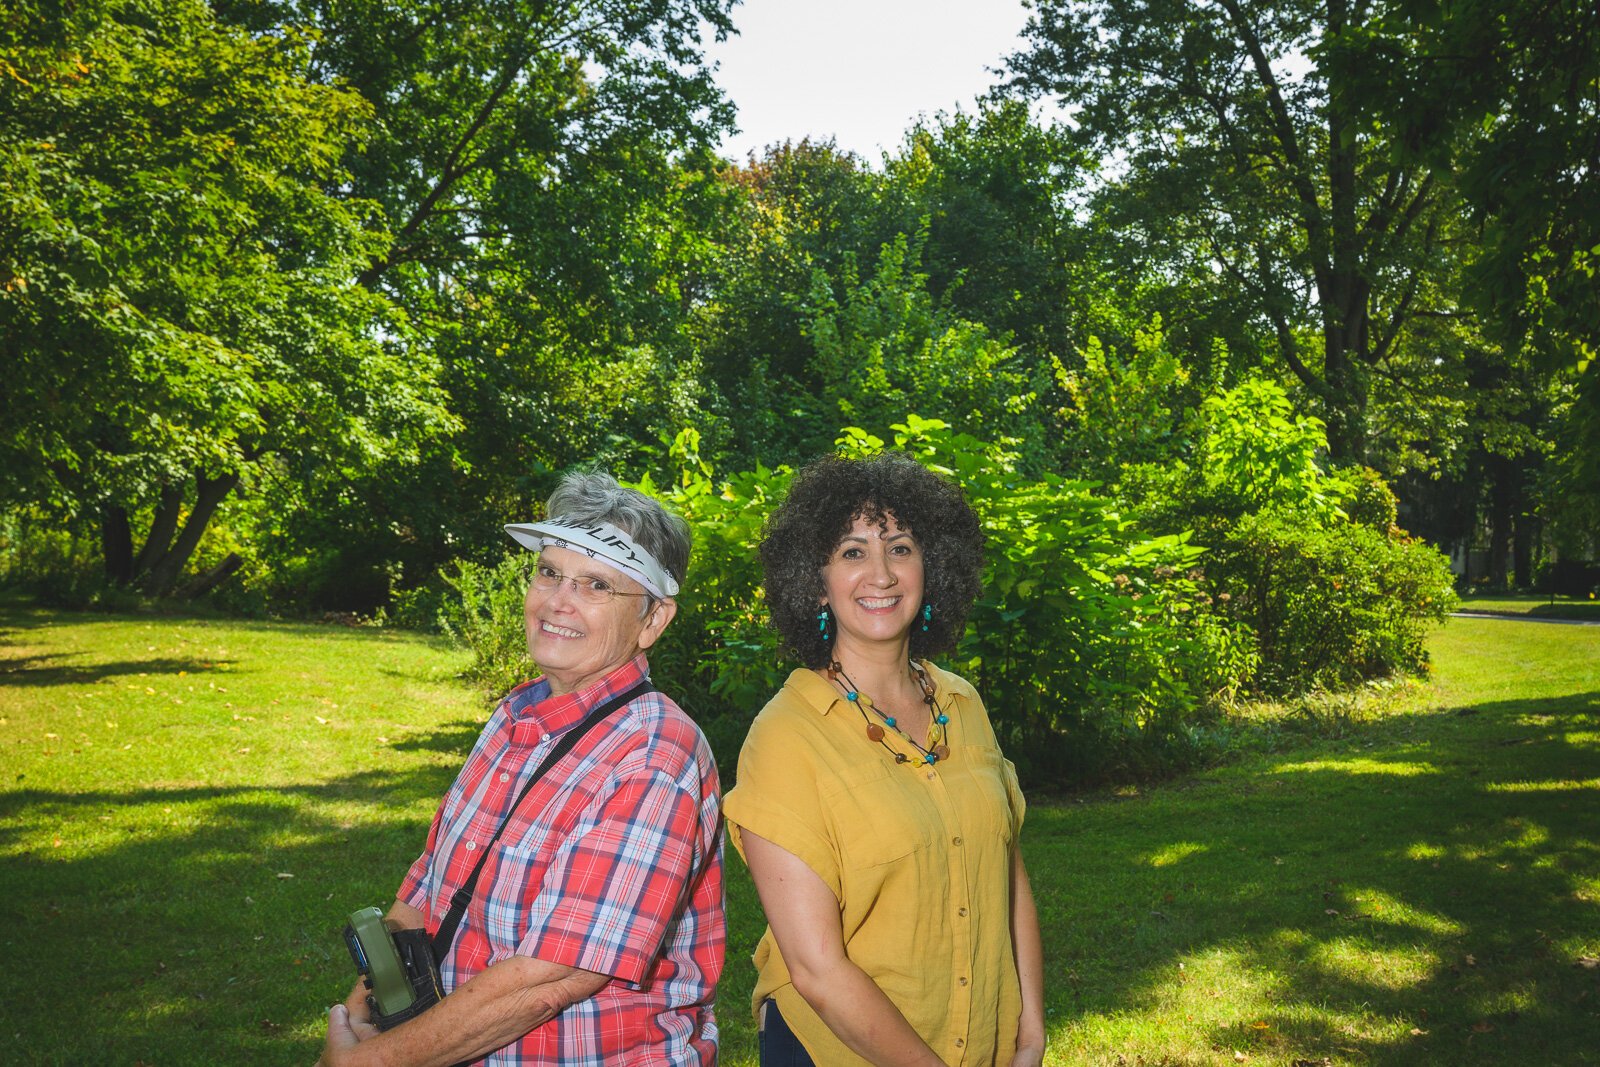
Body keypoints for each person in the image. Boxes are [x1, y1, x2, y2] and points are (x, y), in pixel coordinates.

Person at [320, 472, 724, 1067]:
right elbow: (434, 881)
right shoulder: (519, 713)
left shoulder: (652, 758)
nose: (558, 600)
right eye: (550, 572)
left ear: (653, 621)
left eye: (594, 585)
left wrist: (371, 1063)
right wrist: (364, 1009)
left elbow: (552, 978)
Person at [723, 453, 1046, 1067]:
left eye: (900, 548)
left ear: (933, 567)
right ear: (816, 581)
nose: (882, 574)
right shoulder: (786, 737)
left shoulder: (963, 704)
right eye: (852, 552)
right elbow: (817, 970)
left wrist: (1028, 1030)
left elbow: (1008, 877)